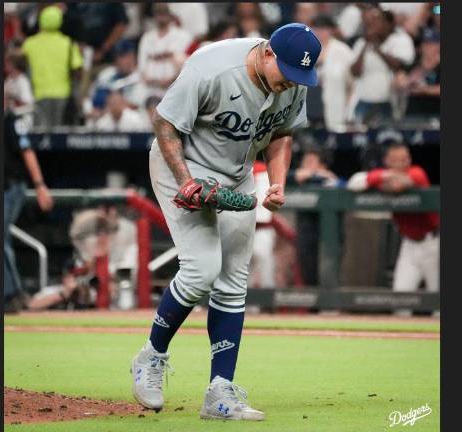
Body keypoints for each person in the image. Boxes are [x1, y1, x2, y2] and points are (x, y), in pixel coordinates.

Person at [130, 23, 321, 421]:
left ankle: (220, 393)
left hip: (237, 173)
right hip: (182, 163)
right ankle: (151, 355)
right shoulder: (212, 67)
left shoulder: (292, 80)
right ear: (268, 53)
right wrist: (185, 181)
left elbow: (282, 133)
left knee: (234, 281)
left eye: (299, 76)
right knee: (201, 269)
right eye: (287, 72)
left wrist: (278, 182)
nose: (291, 82)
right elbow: (165, 123)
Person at [364, 142, 439, 313]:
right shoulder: (384, 173)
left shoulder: (417, 172)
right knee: (400, 301)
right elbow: (360, 181)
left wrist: (382, 181)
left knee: (438, 305)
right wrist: (385, 176)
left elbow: (399, 185)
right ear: (387, 161)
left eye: (405, 159)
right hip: (409, 245)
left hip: (434, 244)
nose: (402, 163)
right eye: (396, 160)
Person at [4, 95, 54, 313]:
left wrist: (40, 185)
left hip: (11, 186)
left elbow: (28, 152)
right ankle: (12, 293)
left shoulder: (11, 120)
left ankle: (12, 293)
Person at [349, 7, 415, 125]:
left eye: (377, 21)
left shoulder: (400, 40)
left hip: (389, 102)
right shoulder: (361, 43)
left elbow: (399, 66)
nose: (372, 25)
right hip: (364, 100)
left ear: (388, 24)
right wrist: (365, 46)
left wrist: (377, 48)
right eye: (370, 22)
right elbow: (355, 72)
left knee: (388, 133)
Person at [21, 6, 83, 128]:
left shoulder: (29, 44)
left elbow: (21, 63)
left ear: (41, 21)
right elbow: (77, 70)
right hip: (63, 94)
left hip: (39, 94)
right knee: (60, 132)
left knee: (41, 131)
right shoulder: (68, 43)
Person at [288, 146, 340, 286]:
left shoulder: (329, 179)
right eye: (304, 162)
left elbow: (344, 185)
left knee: (328, 267)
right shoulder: (295, 178)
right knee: (306, 265)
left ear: (322, 166)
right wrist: (298, 175)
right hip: (305, 230)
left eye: (311, 162)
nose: (306, 166)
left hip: (329, 232)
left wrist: (325, 177)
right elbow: (283, 178)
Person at [137, 3, 193, 100]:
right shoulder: (147, 37)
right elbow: (141, 65)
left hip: (176, 88)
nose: (161, 16)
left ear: (170, 15)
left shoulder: (183, 36)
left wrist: (173, 79)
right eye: (158, 13)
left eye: (164, 13)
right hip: (150, 90)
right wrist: (149, 79)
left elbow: (188, 65)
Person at [311, 15, 354, 130]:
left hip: (334, 105)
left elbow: (353, 84)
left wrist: (349, 109)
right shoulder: (305, 49)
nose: (320, 32)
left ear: (331, 30)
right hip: (309, 105)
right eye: (316, 28)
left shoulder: (343, 51)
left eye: (323, 28)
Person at [250, 161, 275, 289]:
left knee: (263, 259)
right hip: (238, 226)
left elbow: (264, 214)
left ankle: (269, 297)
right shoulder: (230, 165)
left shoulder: (261, 169)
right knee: (240, 268)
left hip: (261, 229)